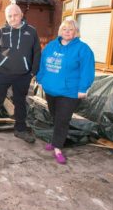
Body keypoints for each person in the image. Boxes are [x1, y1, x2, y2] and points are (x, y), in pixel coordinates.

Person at [36, 18, 95, 164]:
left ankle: (57, 147)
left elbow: (87, 70)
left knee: (62, 119)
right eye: (64, 29)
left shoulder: (83, 49)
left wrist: (83, 88)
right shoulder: (51, 46)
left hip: (70, 91)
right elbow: (43, 63)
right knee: (55, 117)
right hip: (51, 89)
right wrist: (40, 78)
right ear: (60, 31)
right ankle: (56, 140)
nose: (67, 32)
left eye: (70, 29)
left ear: (76, 32)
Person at [0, 3, 41, 144]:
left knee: (20, 102)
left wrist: (32, 72)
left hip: (23, 75)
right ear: (6, 18)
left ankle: (20, 130)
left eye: (15, 15)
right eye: (10, 16)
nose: (13, 18)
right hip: (2, 74)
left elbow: (37, 52)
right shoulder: (0, 31)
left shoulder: (31, 31)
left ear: (21, 15)